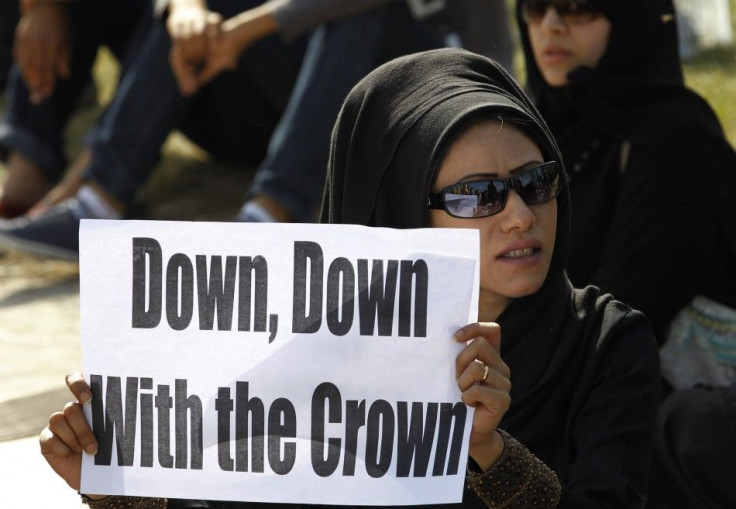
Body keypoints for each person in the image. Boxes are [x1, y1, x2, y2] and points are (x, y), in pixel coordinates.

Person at [39, 48, 661, 508]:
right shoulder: (308, 359)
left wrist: (489, 452)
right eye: (477, 196)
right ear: (398, 211)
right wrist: (111, 477)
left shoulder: (608, 344)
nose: (522, 216)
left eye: (536, 180)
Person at [0, 0, 514, 259]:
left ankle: (268, 218)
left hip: (430, 94)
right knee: (202, 7)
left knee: (357, 11)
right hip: (299, 103)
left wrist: (247, 28)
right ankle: (96, 203)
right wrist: (188, 11)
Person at [515, 1, 736, 506]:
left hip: (650, 412)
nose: (550, 26)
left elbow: (624, 315)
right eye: (534, 8)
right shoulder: (526, 125)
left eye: (577, 8)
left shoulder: (672, 139)